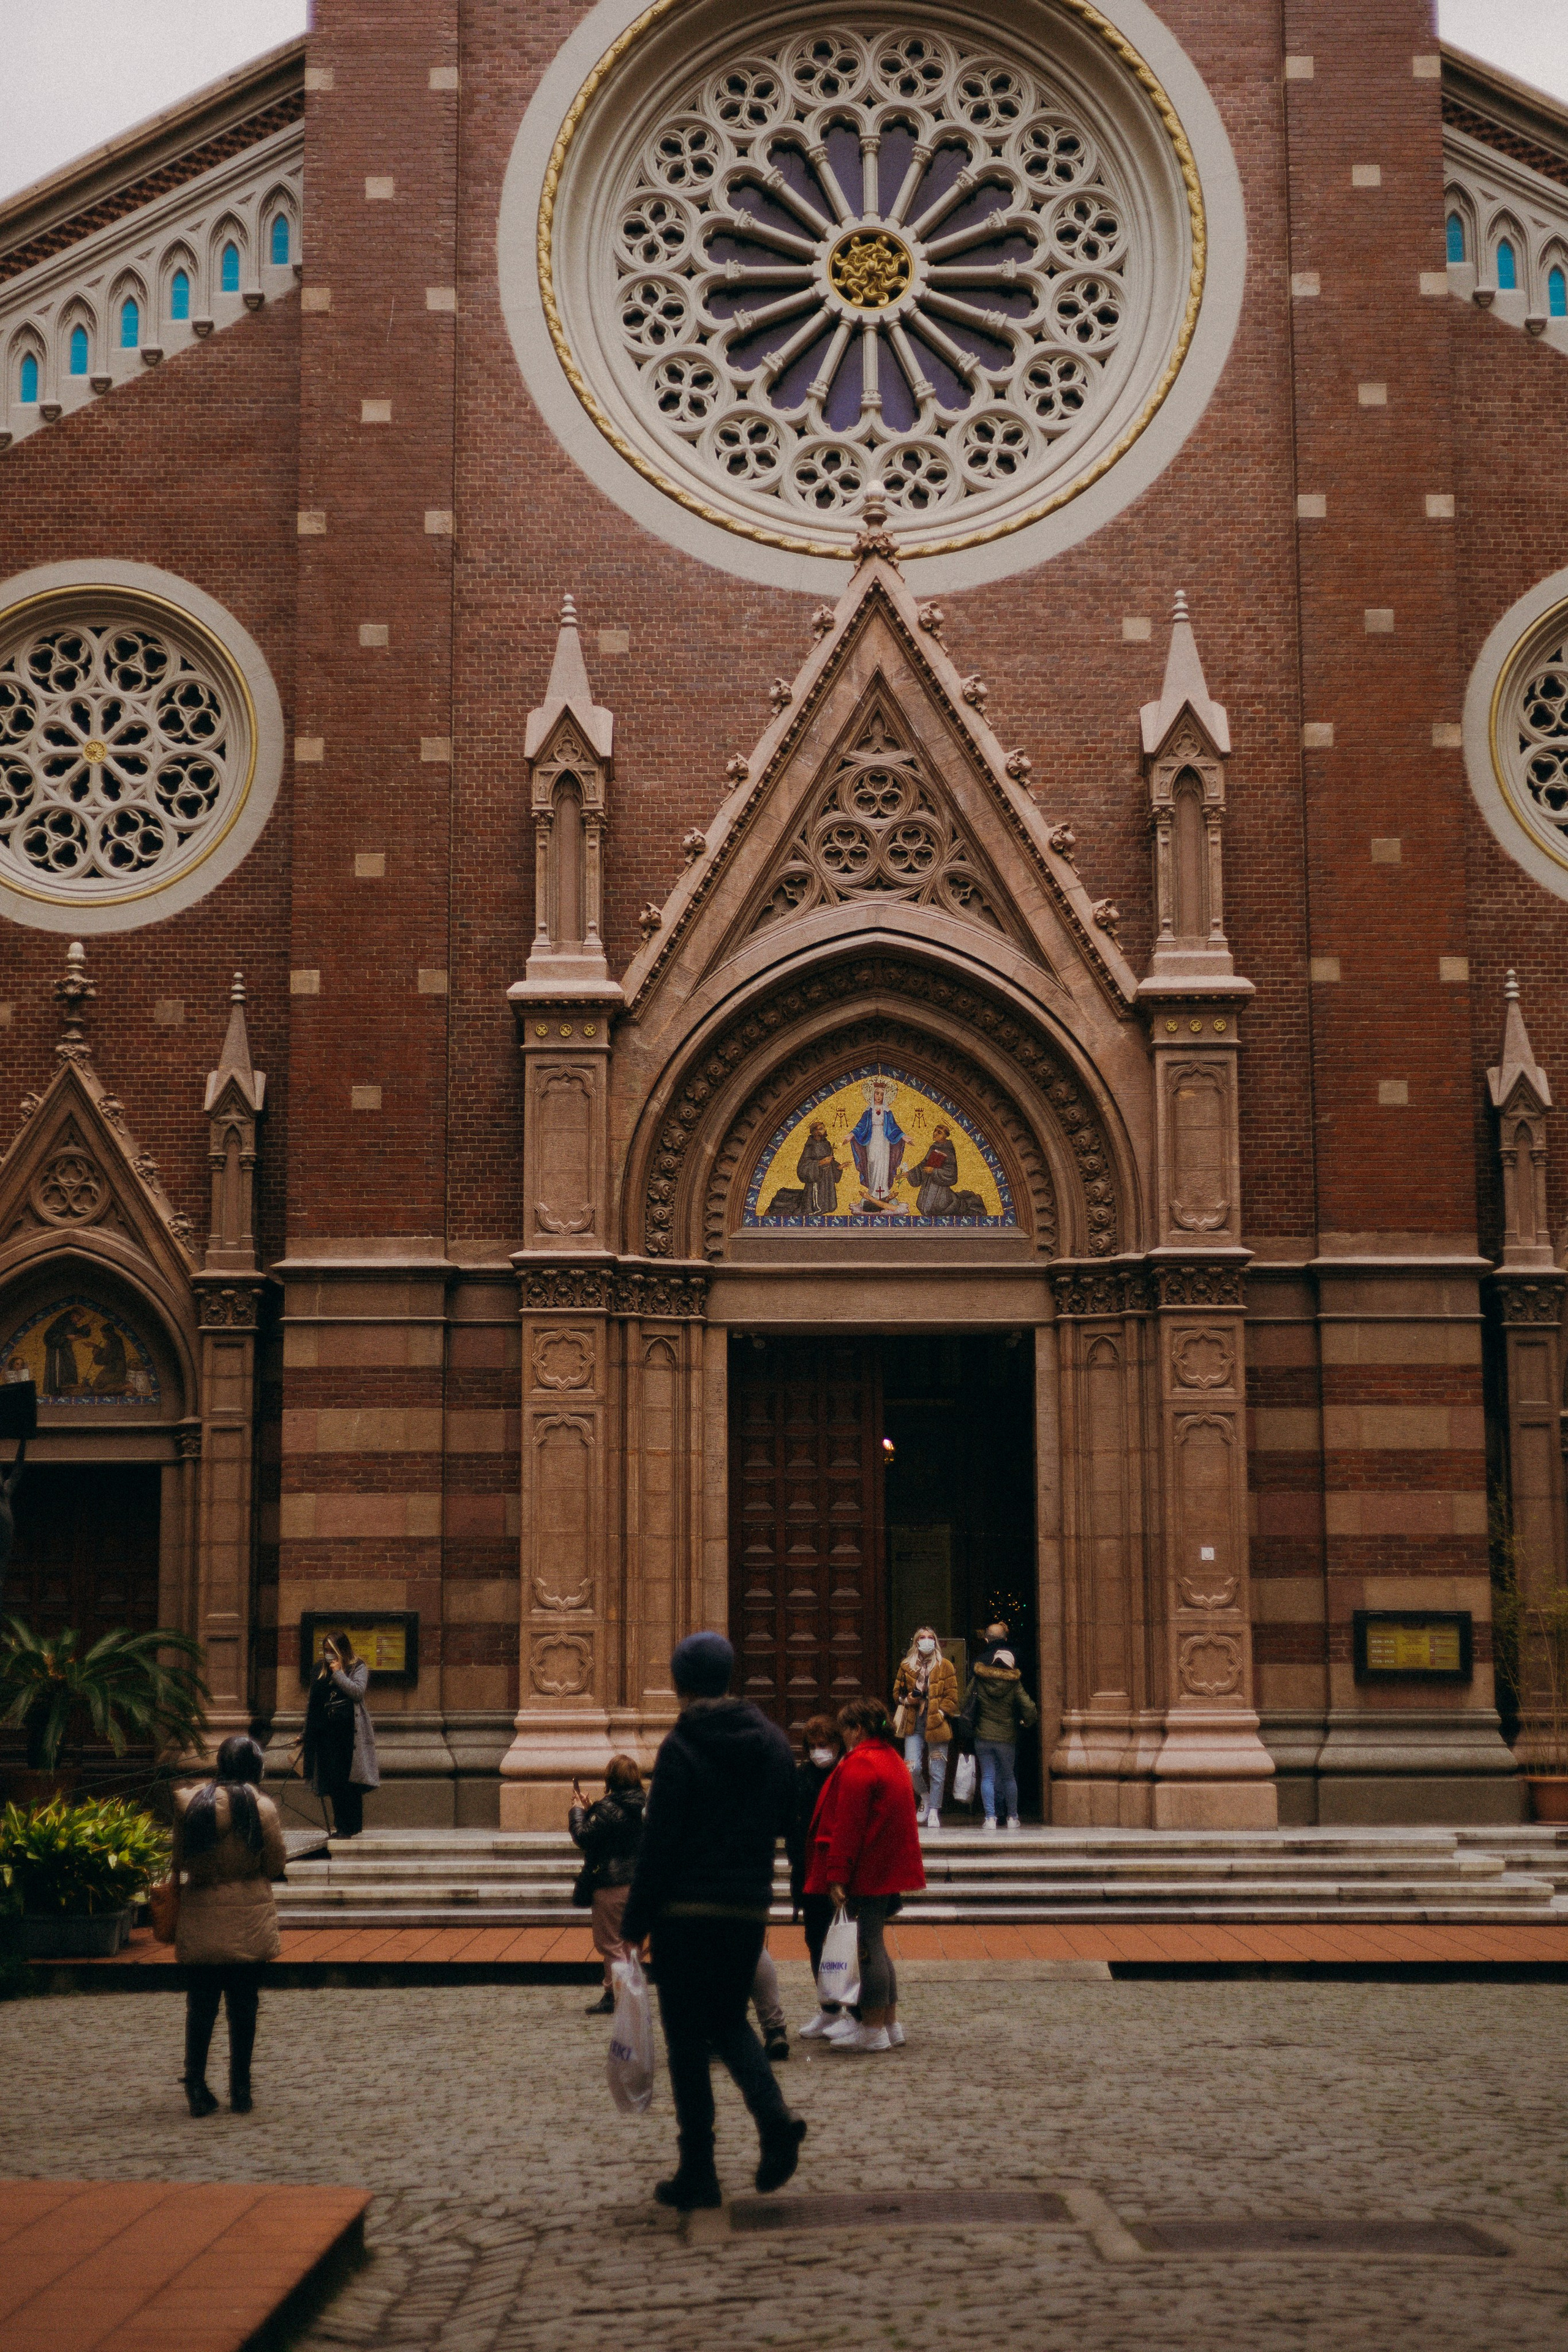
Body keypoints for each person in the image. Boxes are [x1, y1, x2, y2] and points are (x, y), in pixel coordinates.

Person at [619, 1631, 805, 2211]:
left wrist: (635, 1921)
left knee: (686, 2040)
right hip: (746, 1907)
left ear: (679, 1682)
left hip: (685, 1914)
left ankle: (698, 2168)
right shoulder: (773, 1742)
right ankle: (774, 2119)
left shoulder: (683, 1745)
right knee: (729, 2021)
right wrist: (799, 1888)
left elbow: (660, 1842)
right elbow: (793, 1820)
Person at [173, 1733, 287, 2116]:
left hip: (202, 1912)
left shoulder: (190, 1805)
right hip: (246, 1918)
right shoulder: (263, 1808)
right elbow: (274, 1864)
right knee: (244, 2005)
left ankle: (196, 2083)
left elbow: (179, 1860)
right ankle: (241, 2088)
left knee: (201, 2006)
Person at [803, 1696, 924, 2055]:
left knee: (866, 1949)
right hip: (885, 1869)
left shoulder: (860, 1765)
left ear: (857, 1729)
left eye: (845, 1730)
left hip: (866, 1871)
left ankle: (872, 2028)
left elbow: (848, 1826)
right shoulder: (892, 1761)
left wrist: (836, 1876)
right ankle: (888, 2023)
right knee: (876, 1945)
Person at [569, 1754, 645, 2016]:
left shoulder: (608, 1807)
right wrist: (593, 1810)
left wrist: (578, 1811)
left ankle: (618, 1996)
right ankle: (629, 1992)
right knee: (631, 1942)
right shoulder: (645, 1805)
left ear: (610, 1779)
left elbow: (584, 1837)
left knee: (611, 1944)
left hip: (611, 1883)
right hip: (639, 1883)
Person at [789, 1713, 845, 2040]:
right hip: (808, 1870)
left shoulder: (845, 1773)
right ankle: (827, 2007)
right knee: (815, 1940)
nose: (817, 1752)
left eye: (823, 1745)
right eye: (812, 1746)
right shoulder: (802, 1776)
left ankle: (853, 2010)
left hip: (837, 1870)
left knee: (846, 1941)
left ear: (836, 1744)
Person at [300, 1630, 379, 1837]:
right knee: (334, 1782)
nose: (328, 1655)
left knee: (350, 1782)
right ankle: (341, 1827)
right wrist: (305, 1733)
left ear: (342, 1650)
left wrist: (339, 1674)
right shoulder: (319, 1669)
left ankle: (352, 1826)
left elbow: (357, 1692)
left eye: (331, 1651)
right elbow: (313, 1704)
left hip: (350, 1736)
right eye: (325, 1651)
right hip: (327, 1735)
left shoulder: (357, 1666)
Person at [963, 1643, 1039, 1832]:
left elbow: (963, 1701)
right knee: (1008, 1777)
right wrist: (1024, 1723)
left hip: (983, 1736)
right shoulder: (1014, 1684)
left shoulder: (979, 1680)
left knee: (988, 1777)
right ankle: (1012, 1817)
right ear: (1010, 1665)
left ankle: (990, 1818)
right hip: (1007, 1737)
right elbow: (1030, 1709)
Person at [892, 1626, 959, 1832]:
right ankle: (925, 1797)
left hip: (937, 1725)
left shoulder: (945, 1666)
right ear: (916, 1642)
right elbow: (897, 1693)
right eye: (923, 1637)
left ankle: (934, 1811)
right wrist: (907, 1699)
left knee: (938, 1771)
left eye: (931, 1637)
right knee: (912, 1767)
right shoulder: (906, 1666)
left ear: (935, 1641)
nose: (927, 1640)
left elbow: (953, 1698)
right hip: (915, 1723)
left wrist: (940, 1713)